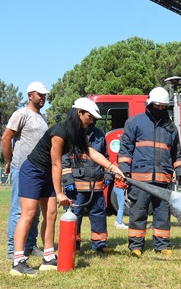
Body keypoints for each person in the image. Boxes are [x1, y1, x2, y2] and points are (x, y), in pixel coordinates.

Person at [10, 97, 123, 277]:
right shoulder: (59, 132)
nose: (92, 120)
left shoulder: (75, 133)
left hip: (47, 173)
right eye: (90, 116)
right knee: (29, 214)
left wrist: (112, 168)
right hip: (33, 171)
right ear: (79, 113)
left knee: (51, 214)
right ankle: (18, 261)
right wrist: (60, 192)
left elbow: (91, 152)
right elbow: (57, 164)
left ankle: (48, 257)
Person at [118, 87, 181, 258]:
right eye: (158, 106)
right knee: (138, 212)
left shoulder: (170, 128)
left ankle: (162, 245)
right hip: (140, 180)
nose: (160, 109)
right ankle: (135, 246)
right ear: (149, 104)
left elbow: (176, 152)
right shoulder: (134, 123)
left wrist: (180, 169)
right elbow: (125, 149)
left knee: (162, 213)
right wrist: (125, 170)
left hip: (163, 179)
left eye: (163, 106)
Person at [2, 81, 49, 261]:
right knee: (18, 210)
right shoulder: (21, 114)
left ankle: (30, 245)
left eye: (44, 95)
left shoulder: (43, 118)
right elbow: (6, 138)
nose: (43, 98)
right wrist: (10, 161)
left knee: (35, 210)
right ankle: (13, 249)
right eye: (40, 94)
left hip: (39, 170)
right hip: (22, 169)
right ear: (30, 95)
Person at [61, 105, 112, 254]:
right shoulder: (70, 135)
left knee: (98, 214)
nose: (91, 121)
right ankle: (73, 245)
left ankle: (100, 244)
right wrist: (68, 180)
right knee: (74, 214)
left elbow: (105, 158)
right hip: (76, 186)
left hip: (96, 185)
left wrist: (108, 175)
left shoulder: (99, 135)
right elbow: (64, 160)